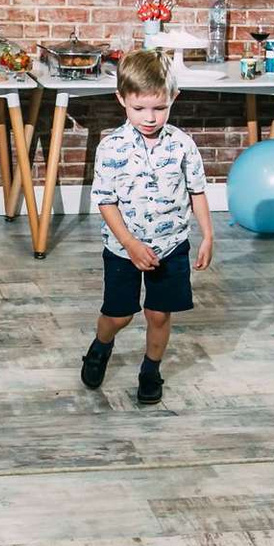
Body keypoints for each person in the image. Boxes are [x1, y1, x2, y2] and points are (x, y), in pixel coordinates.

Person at [79, 49, 214, 406]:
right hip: (123, 249)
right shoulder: (111, 148)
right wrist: (130, 243)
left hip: (172, 245)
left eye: (159, 107)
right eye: (139, 108)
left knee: (159, 314)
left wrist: (208, 235)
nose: (150, 118)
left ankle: (151, 370)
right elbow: (105, 201)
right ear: (121, 99)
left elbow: (197, 190)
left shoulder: (182, 145)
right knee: (119, 315)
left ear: (173, 98)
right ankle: (100, 346)